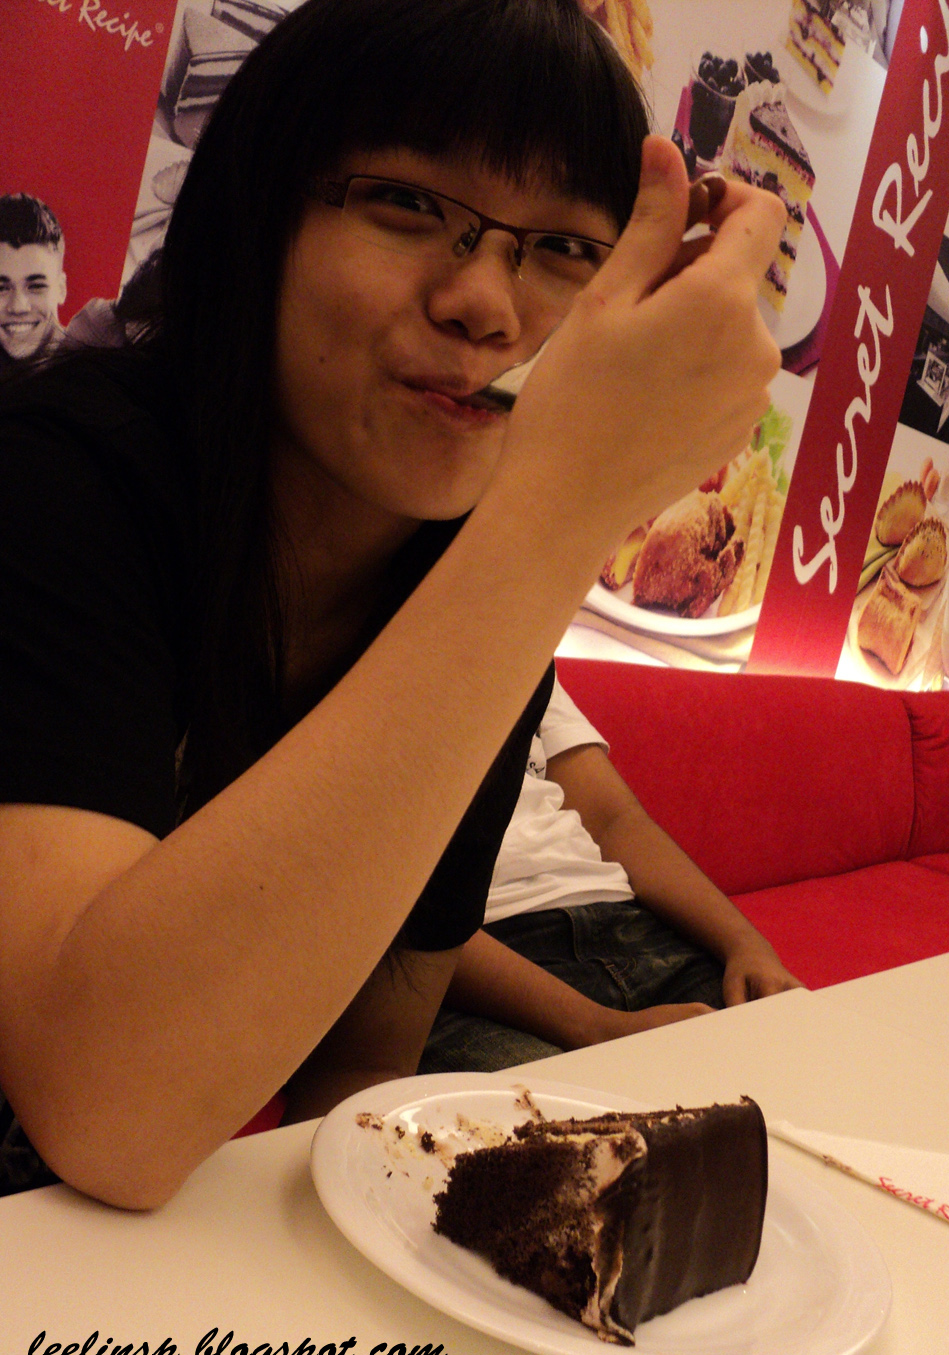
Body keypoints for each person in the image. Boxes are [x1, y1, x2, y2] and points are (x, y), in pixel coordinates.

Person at [0, 0, 784, 1207]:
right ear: (257, 217)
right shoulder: (60, 477)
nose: (486, 305)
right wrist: (562, 509)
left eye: (562, 248)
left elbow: (363, 1068)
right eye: (408, 204)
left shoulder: (466, 594)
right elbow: (104, 1113)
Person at [420, 679, 801, 1072]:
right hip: (470, 970)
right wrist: (598, 1027)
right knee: (566, 1104)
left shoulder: (519, 660)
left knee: (798, 1060)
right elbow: (409, 919)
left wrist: (746, 946)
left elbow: (614, 822)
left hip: (630, 928)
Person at [0, 193, 67, 370]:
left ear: (61, 289)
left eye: (36, 286)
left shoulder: (95, 375)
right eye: (1, 288)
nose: (18, 307)